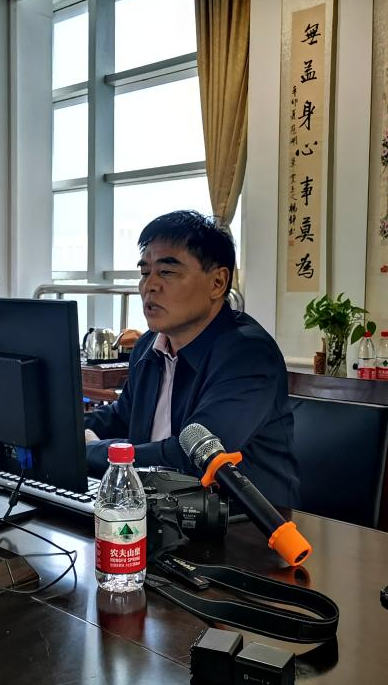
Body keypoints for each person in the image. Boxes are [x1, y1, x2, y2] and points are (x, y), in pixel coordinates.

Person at [84, 210, 298, 508]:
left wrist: (90, 451)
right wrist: (62, 430)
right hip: (156, 510)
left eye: (167, 272)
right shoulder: (148, 346)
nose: (150, 286)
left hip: (241, 521)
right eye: (145, 272)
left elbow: (190, 459)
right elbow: (121, 417)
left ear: (218, 282)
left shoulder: (249, 355)